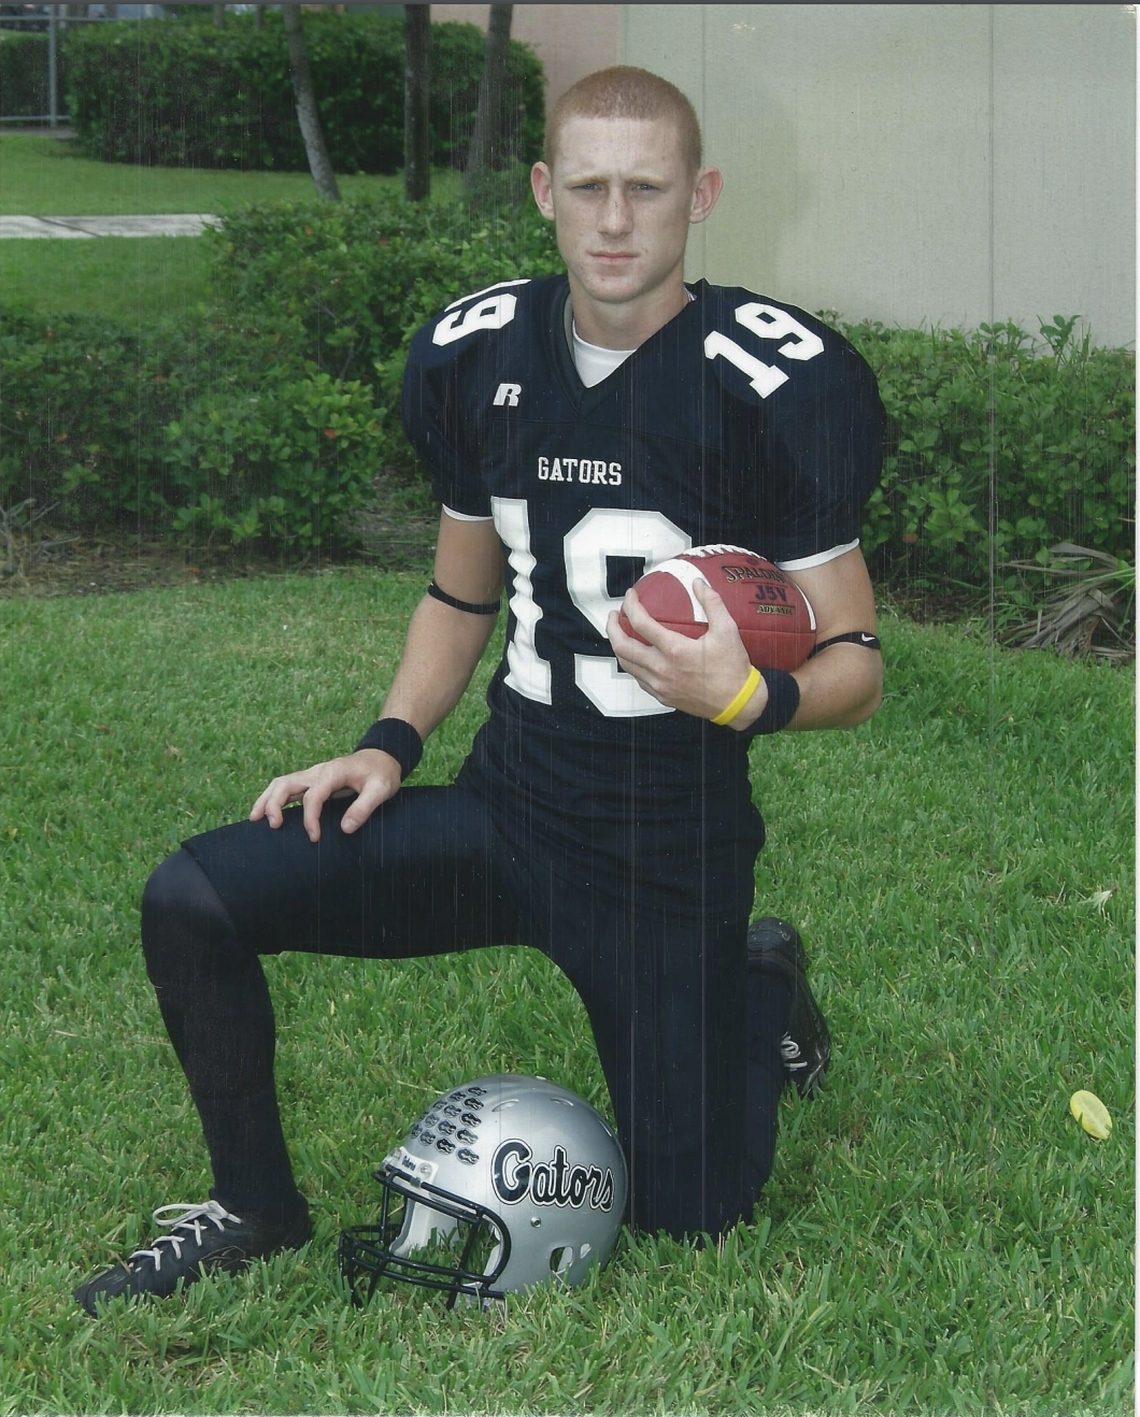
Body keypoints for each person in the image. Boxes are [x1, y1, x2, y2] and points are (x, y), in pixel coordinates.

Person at [75, 66, 884, 1315]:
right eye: (590, 187)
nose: (614, 219)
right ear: (544, 190)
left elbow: (857, 663)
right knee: (193, 898)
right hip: (506, 816)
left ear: (701, 196)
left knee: (690, 1214)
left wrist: (746, 699)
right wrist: (389, 741)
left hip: (665, 861)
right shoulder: (478, 352)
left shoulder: (771, 381)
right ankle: (255, 1206)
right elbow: (460, 600)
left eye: (647, 189)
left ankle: (760, 975)